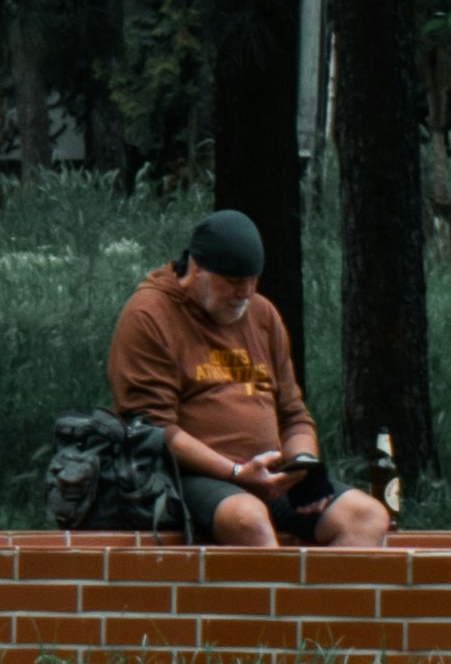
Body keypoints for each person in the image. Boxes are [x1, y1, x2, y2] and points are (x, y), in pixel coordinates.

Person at [105, 213, 392, 546]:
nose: (246, 293)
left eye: (253, 280)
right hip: (191, 477)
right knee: (249, 519)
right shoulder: (149, 315)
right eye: (234, 282)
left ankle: (321, 600)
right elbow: (156, 430)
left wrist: (304, 466)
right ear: (198, 268)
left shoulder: (262, 314)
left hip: (269, 477)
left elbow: (294, 415)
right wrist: (237, 473)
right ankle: (274, 599)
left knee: (366, 516)